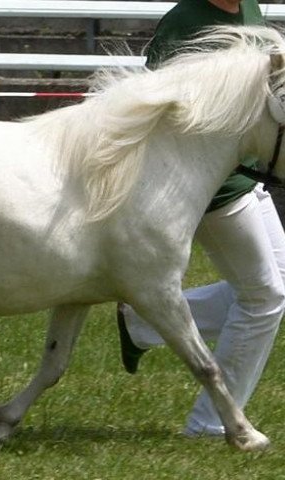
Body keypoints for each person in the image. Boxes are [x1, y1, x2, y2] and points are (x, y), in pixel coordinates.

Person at [117, 0, 285, 437]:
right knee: (264, 297)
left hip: (250, 172)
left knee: (272, 287)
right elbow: (155, 109)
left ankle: (141, 320)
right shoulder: (183, 24)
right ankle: (210, 424)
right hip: (212, 189)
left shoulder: (248, 8)